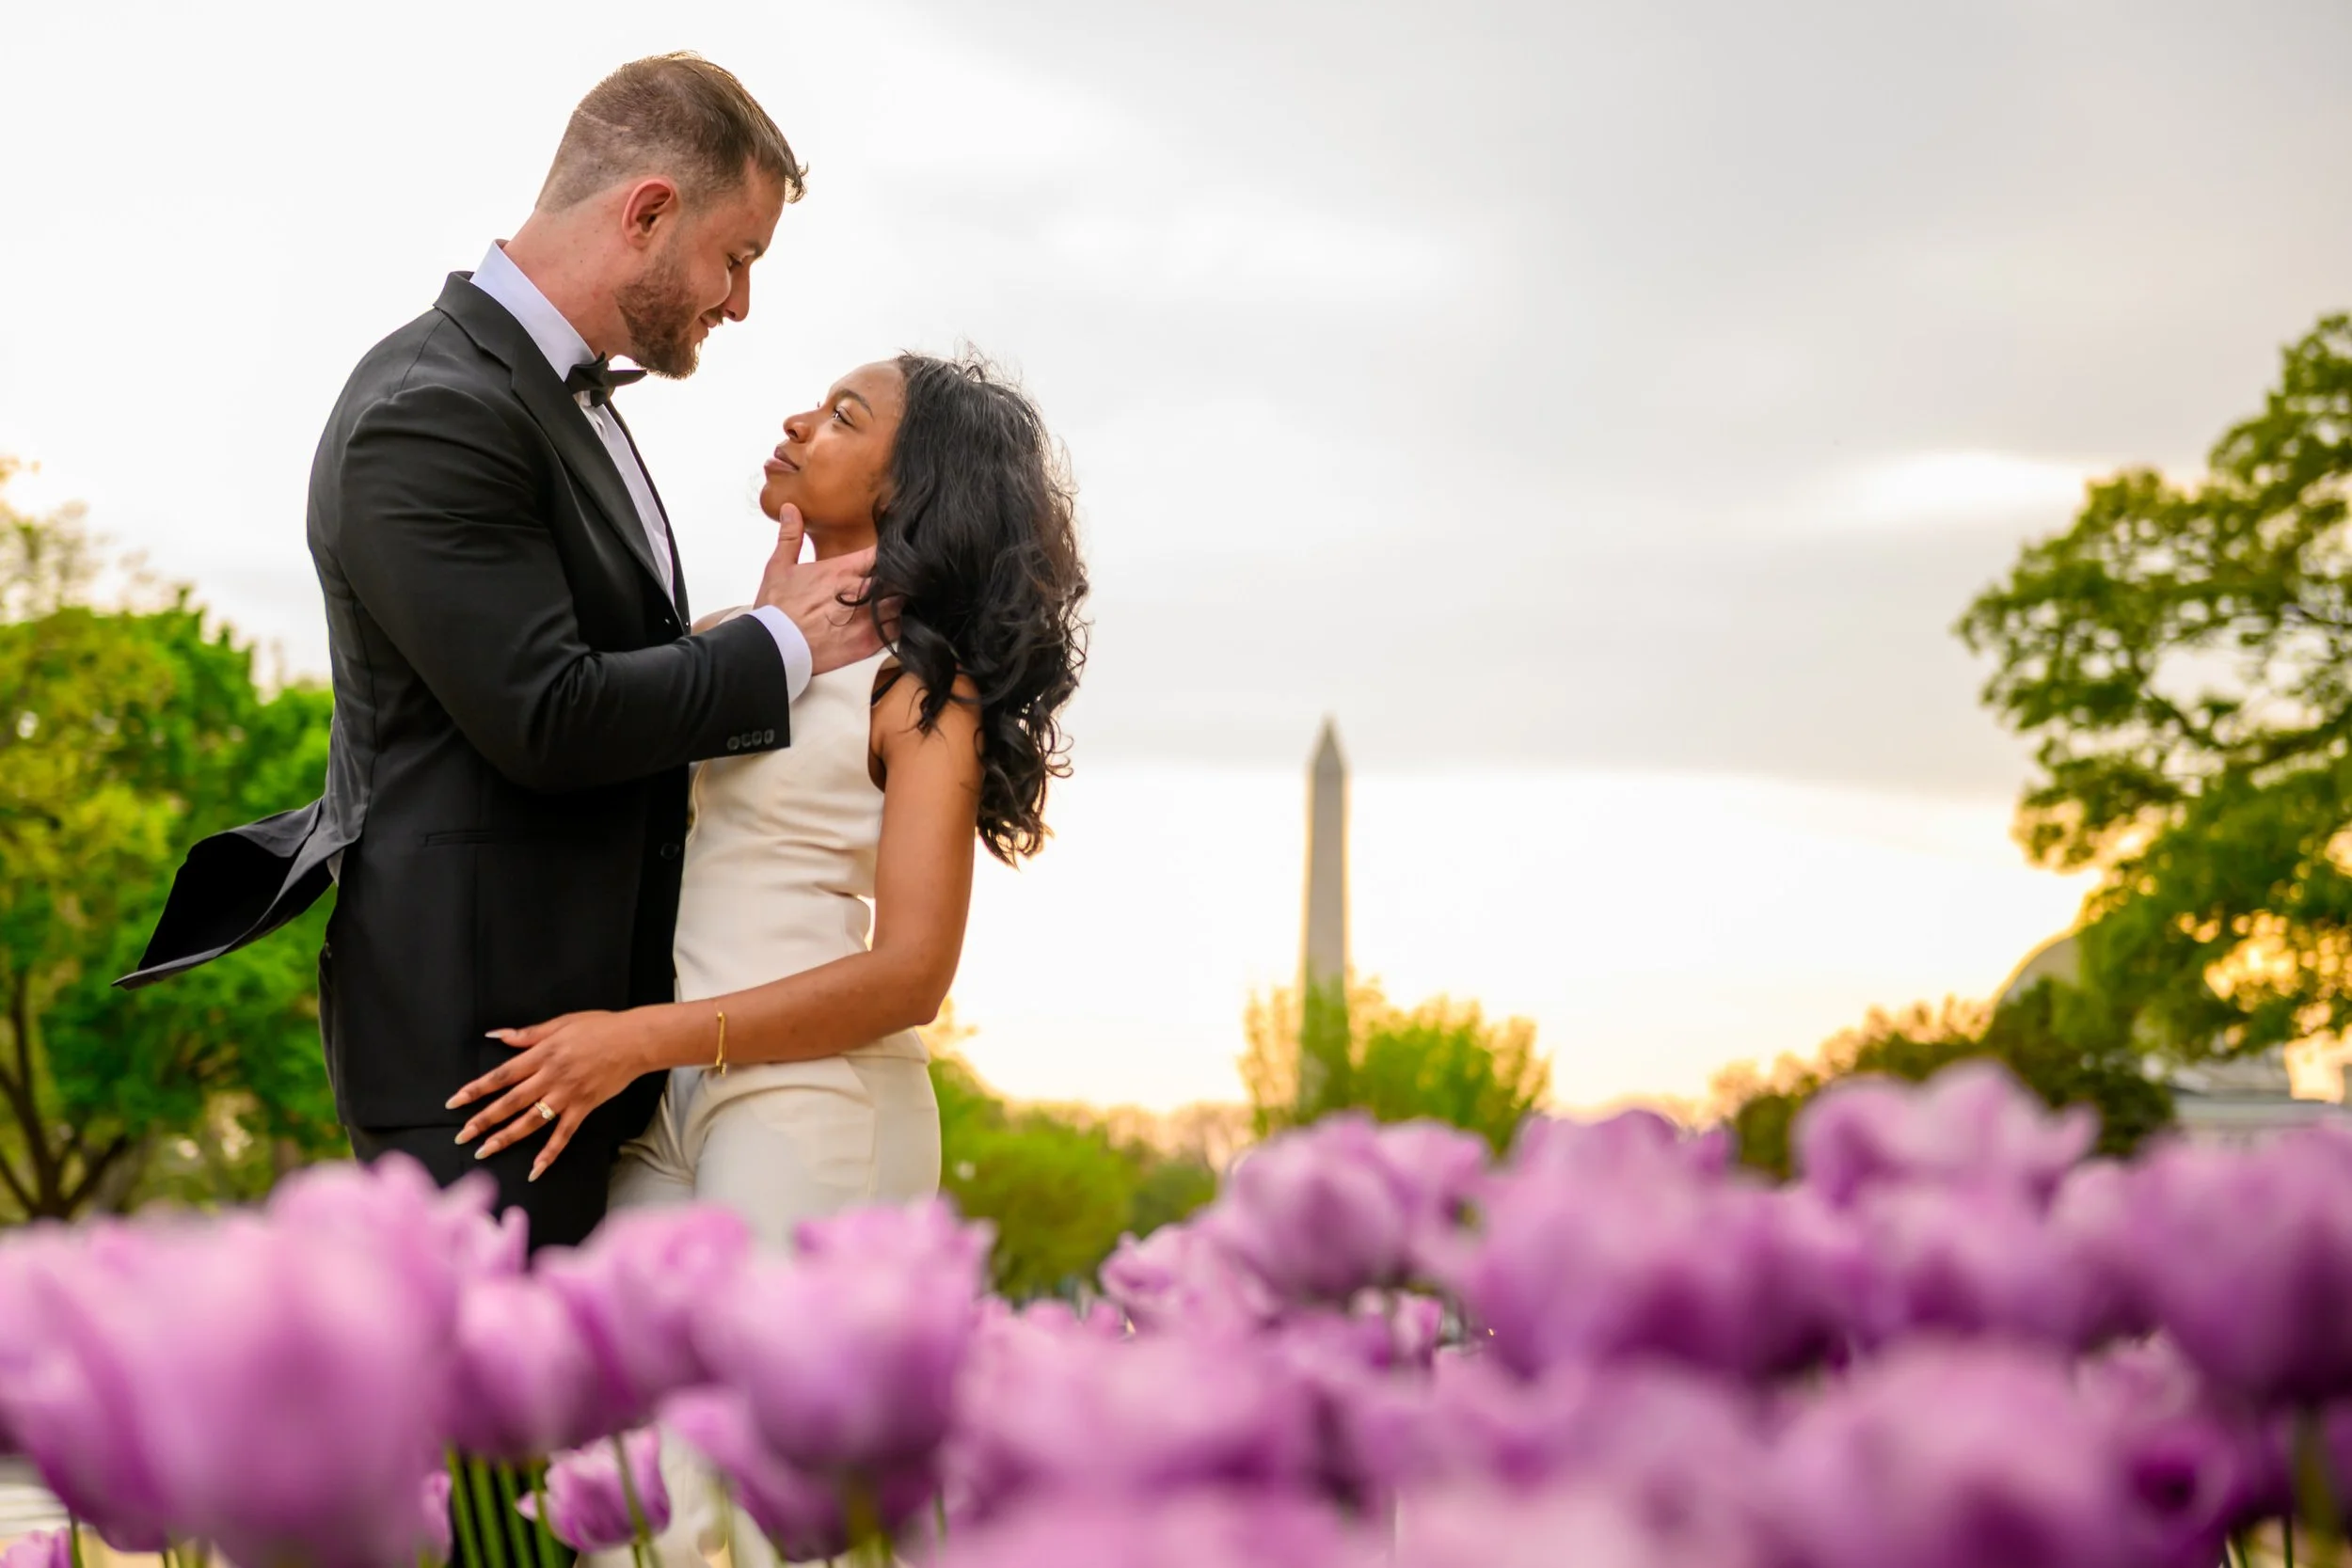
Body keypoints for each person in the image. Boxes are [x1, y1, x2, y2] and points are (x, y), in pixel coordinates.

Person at [119, 55, 882, 1248]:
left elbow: (565, 656)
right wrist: (784, 645)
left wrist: (731, 638)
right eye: (736, 258)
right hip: (478, 1066)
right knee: (496, 1435)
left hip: (592, 1051)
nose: (738, 303)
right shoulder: (432, 408)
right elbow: (546, 713)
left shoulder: (556, 398)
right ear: (646, 212)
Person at [445, 351, 1088, 1251]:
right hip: (661, 1097)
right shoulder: (721, 642)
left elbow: (914, 973)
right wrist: (758, 643)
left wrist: (639, 1039)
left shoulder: (919, 695)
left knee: (758, 1393)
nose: (798, 422)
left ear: (913, 488)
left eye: (844, 416)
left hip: (814, 1099)